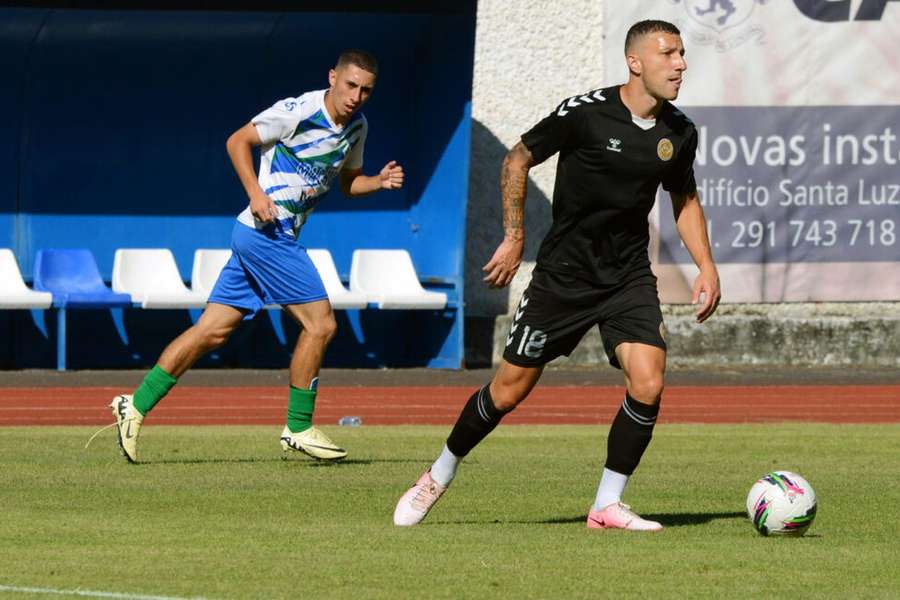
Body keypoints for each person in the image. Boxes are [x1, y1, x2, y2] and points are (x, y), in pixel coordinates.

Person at [393, 20, 720, 530]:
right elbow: (518, 158)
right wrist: (515, 235)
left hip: (627, 277)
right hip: (562, 278)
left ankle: (607, 504)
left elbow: (685, 198)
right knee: (508, 391)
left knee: (649, 381)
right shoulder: (585, 114)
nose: (680, 64)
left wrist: (706, 265)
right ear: (635, 62)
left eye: (682, 54)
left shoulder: (679, 132)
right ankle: (438, 473)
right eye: (668, 54)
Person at [106, 49, 404, 464]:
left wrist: (378, 182)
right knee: (321, 325)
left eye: (366, 90)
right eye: (350, 85)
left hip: (258, 237)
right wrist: (256, 193)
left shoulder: (357, 127)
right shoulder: (298, 111)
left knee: (211, 331)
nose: (356, 96)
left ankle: (133, 406)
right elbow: (237, 141)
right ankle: (298, 427)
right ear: (332, 76)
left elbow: (348, 184)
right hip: (268, 233)